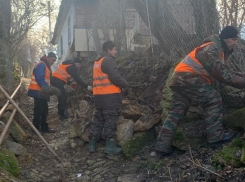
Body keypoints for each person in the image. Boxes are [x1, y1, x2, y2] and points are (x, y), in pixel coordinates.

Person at [156, 26, 245, 157]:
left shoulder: (216, 49)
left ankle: (161, 148)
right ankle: (216, 137)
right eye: (233, 39)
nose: (236, 43)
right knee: (213, 99)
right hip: (189, 79)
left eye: (236, 40)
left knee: (175, 114)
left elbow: (226, 71)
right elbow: (223, 75)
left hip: (179, 80)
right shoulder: (212, 48)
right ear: (225, 39)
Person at [89, 41, 129, 155]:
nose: (116, 51)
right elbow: (115, 77)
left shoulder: (97, 61)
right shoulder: (108, 60)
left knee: (98, 120)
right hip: (110, 97)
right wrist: (125, 84)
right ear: (108, 49)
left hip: (98, 96)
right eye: (114, 49)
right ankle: (110, 146)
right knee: (110, 121)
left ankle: (92, 144)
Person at [27, 52, 57, 134]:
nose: (53, 62)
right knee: (39, 111)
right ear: (48, 58)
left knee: (44, 110)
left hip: (41, 92)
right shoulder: (41, 65)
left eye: (54, 61)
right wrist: (48, 89)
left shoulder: (45, 66)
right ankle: (35, 129)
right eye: (52, 60)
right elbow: (39, 79)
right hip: (38, 92)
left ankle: (44, 127)